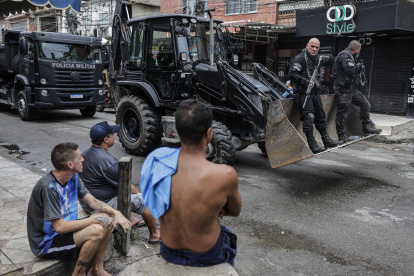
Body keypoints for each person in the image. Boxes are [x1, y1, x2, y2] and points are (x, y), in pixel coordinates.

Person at [140, 98, 241, 267]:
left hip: (169, 250)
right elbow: (234, 211)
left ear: (178, 131)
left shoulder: (158, 161)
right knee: (227, 236)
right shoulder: (225, 174)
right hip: (207, 254)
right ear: (208, 133)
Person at [27, 142, 130, 276]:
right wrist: (96, 219)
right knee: (97, 228)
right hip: (47, 242)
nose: (83, 159)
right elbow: (59, 227)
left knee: (106, 216)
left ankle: (97, 269)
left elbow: (92, 201)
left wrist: (116, 213)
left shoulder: (73, 177)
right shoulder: (49, 187)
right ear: (70, 164)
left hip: (65, 231)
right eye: (79, 157)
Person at [79, 121, 160, 244]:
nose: (114, 136)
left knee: (118, 189)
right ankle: (155, 235)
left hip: (88, 201)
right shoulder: (108, 162)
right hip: (99, 205)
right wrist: (140, 197)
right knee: (143, 201)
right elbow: (126, 186)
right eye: (112, 134)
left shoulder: (86, 152)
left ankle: (131, 219)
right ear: (106, 139)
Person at [288, 37, 341, 153]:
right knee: (309, 117)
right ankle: (312, 144)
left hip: (315, 93)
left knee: (321, 117)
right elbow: (292, 74)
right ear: (307, 45)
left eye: (317, 47)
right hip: (302, 92)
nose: (314, 49)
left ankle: (326, 140)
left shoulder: (317, 58)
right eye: (312, 46)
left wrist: (329, 57)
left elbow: (331, 62)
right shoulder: (300, 58)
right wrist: (305, 81)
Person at [333, 40, 382, 141]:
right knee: (342, 113)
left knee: (365, 104)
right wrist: (359, 66)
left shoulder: (353, 57)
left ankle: (367, 128)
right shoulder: (344, 56)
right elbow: (351, 70)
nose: (360, 51)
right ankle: (342, 135)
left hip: (351, 89)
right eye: (359, 49)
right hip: (342, 90)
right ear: (356, 49)